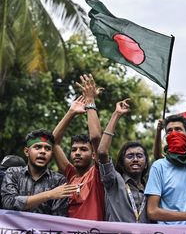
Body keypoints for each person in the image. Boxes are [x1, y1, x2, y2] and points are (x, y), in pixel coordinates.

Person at [52, 74, 104, 221]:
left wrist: (90, 101)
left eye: (83, 149)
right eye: (74, 150)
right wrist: (71, 112)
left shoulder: (98, 173)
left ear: (94, 154)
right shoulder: (71, 175)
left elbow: (95, 137)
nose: (77, 153)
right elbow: (53, 142)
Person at [145, 114, 186, 225]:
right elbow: (152, 211)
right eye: (169, 131)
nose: (173, 133)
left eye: (178, 129)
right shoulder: (159, 166)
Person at [1, 129, 77, 215]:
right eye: (37, 147)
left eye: (47, 148)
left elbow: (58, 219)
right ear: (26, 151)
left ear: (52, 154)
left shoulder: (59, 181)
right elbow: (8, 203)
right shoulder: (13, 173)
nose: (43, 151)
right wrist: (49, 195)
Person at [97, 99, 149, 223]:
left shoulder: (150, 187)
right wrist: (117, 114)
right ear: (121, 162)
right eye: (130, 156)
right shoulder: (113, 181)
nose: (135, 159)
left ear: (146, 162)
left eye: (139, 156)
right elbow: (102, 152)